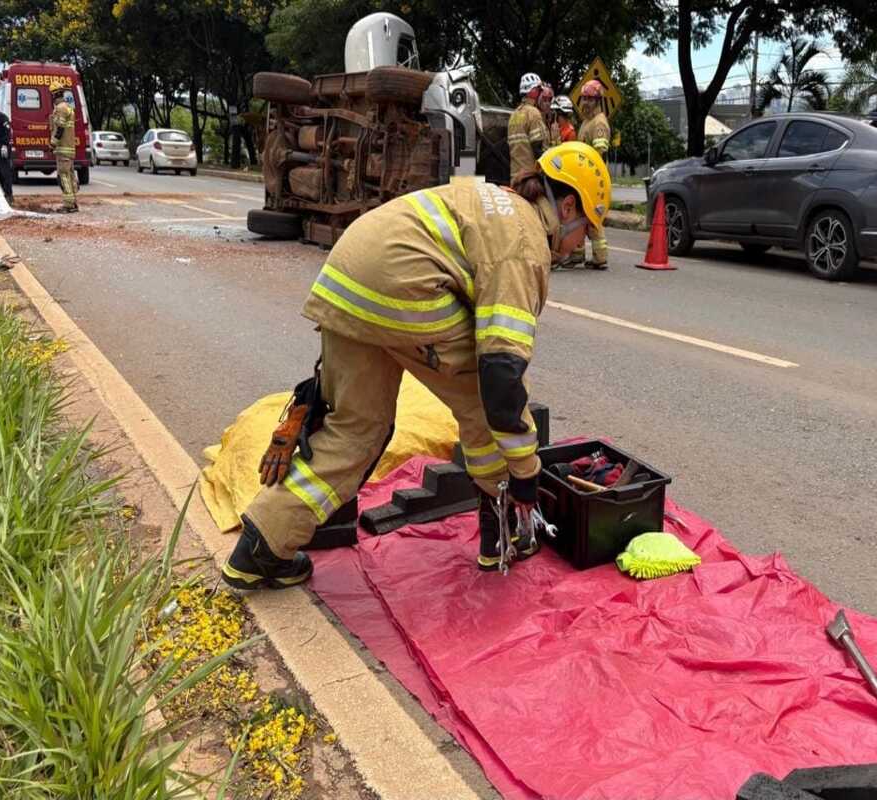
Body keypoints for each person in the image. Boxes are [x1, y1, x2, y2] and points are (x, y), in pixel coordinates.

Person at [221, 142, 611, 590]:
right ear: (567, 206)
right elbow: (501, 374)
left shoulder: (493, 199)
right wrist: (525, 472)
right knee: (484, 405)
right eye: (588, 230)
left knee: (356, 429)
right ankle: (502, 536)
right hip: (405, 291)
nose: (583, 243)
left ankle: (261, 548)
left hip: (346, 279)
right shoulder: (525, 242)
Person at [572, 80, 611, 270]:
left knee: (593, 218)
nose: (586, 103)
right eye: (584, 98)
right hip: (582, 178)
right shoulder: (586, 122)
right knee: (580, 216)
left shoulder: (599, 123)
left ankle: (600, 257)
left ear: (598, 101)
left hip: (593, 179)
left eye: (590, 99)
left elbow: (598, 154)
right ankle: (577, 253)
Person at [506, 73, 551, 187]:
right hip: (530, 180)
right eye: (539, 90)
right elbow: (537, 147)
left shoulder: (514, 115)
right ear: (533, 91)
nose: (541, 94)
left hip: (515, 177)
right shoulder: (533, 113)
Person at [48, 82, 78, 213]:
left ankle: (68, 205)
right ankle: (73, 203)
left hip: (63, 149)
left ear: (54, 95)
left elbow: (60, 129)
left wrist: (52, 143)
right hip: (69, 149)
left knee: (63, 177)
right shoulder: (68, 108)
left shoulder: (60, 109)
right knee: (69, 176)